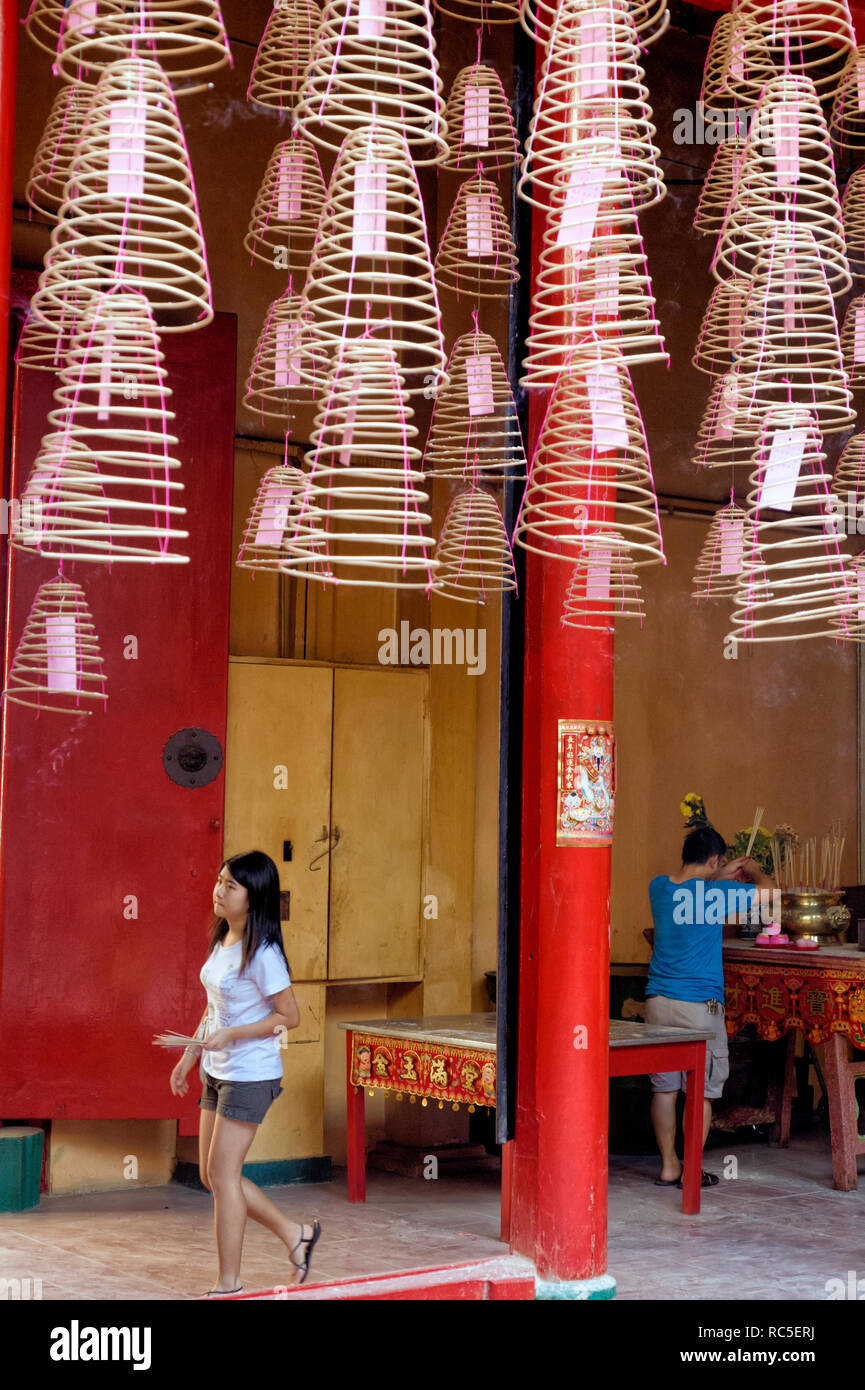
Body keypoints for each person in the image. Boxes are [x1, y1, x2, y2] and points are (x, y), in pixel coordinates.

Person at [170, 849, 321, 1297]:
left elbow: (289, 1017)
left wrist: (235, 1034)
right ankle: (297, 1236)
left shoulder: (264, 953)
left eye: (230, 885)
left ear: (254, 898)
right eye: (219, 880)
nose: (218, 890)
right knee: (212, 1177)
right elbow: (215, 1007)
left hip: (251, 1074)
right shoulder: (224, 939)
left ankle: (229, 1285)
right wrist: (190, 1056)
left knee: (222, 1175)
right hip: (217, 1069)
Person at [644, 824, 774, 1190]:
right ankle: (692, 1169)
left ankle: (669, 1165)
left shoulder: (658, 886)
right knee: (699, 1092)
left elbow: (693, 884)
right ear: (715, 859)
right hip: (699, 1008)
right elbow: (769, 893)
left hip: (658, 1004)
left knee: (664, 1090)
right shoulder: (719, 894)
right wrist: (752, 872)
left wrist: (719, 872)